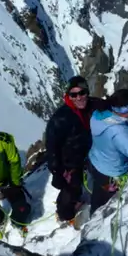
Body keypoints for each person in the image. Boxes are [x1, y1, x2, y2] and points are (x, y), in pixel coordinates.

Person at [45, 76, 106, 223]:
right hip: (72, 166)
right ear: (68, 96)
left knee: (103, 192)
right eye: (74, 94)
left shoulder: (96, 105)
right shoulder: (60, 119)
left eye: (82, 93)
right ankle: (67, 209)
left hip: (95, 158)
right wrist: (57, 172)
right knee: (66, 209)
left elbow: (116, 109)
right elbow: (52, 148)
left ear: (87, 92)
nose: (79, 98)